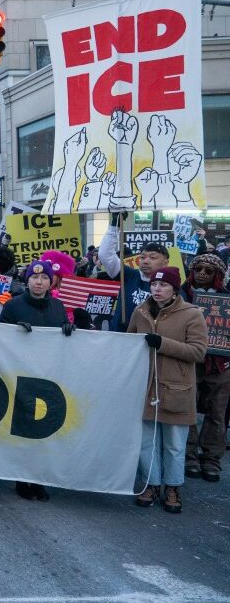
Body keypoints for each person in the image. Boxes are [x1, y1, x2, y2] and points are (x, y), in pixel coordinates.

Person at [127, 267, 207, 514]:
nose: (157, 289)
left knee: (174, 444)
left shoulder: (192, 314)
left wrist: (162, 344)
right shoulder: (140, 311)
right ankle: (151, 485)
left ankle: (172, 487)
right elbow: (129, 343)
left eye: (163, 285)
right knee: (147, 443)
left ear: (174, 289)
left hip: (177, 388)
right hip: (146, 387)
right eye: (154, 284)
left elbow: (198, 351)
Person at [0, 260, 76, 502]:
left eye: (44, 278)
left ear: (51, 282)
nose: (39, 282)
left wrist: (69, 329)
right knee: (24, 429)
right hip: (21, 375)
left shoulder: (58, 306)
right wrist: (13, 331)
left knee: (45, 429)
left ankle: (40, 479)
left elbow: (64, 337)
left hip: (49, 376)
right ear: (27, 280)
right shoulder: (13, 305)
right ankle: (22, 479)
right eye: (34, 277)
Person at [181, 254, 230, 483]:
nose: (202, 273)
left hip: (221, 364)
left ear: (217, 275)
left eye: (208, 271)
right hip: (190, 361)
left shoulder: (227, 298)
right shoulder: (181, 295)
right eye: (198, 269)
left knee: (217, 414)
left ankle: (211, 460)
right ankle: (189, 456)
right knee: (187, 410)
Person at [98, 215, 169, 331]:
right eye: (142, 257)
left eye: (152, 257)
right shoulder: (128, 275)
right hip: (120, 335)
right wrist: (114, 225)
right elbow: (105, 255)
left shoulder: (170, 285)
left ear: (165, 262)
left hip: (149, 338)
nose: (146, 261)